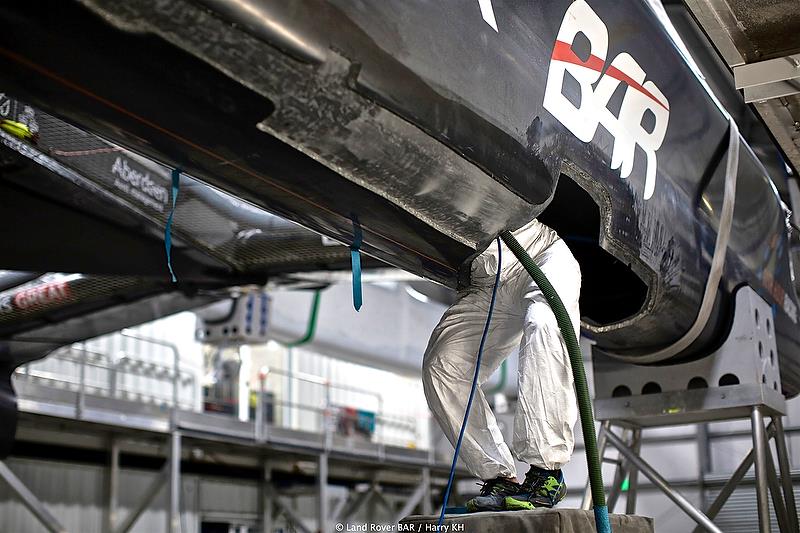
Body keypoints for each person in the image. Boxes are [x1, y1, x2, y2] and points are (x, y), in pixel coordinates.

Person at [422, 218, 581, 512]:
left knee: (543, 322)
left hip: (540, 253)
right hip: (485, 283)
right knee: (443, 364)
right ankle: (499, 478)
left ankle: (547, 474)